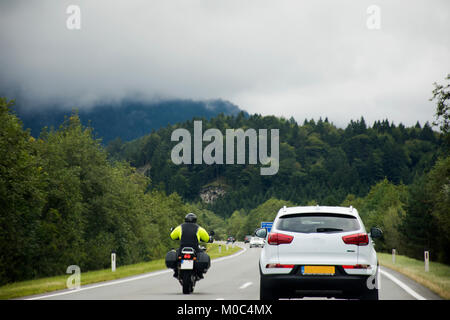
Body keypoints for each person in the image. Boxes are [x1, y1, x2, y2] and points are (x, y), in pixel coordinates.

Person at [170, 213, 212, 279]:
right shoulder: (199, 228)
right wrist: (210, 238)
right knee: (202, 255)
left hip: (182, 248)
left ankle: (176, 272)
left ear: (185, 219)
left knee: (176, 256)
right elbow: (207, 238)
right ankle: (200, 273)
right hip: (195, 248)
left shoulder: (180, 227)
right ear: (195, 220)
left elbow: (172, 236)